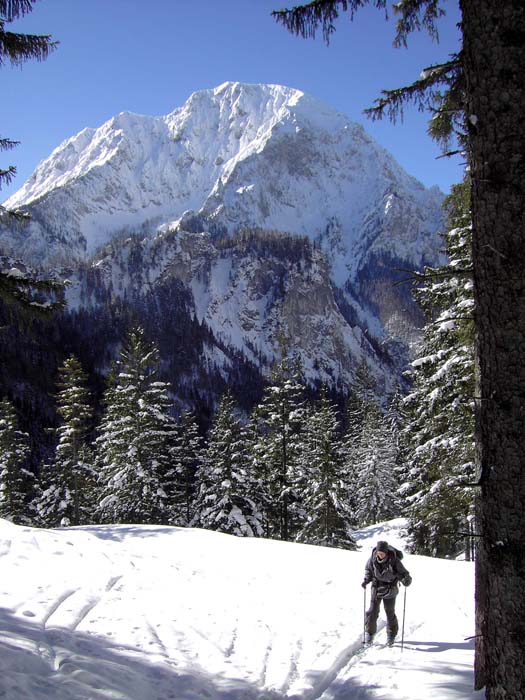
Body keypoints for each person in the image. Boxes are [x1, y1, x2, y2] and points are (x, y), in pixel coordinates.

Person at [361, 540, 412, 646]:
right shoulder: (372, 559)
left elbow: (404, 573)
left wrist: (406, 579)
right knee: (372, 611)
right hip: (376, 588)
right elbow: (368, 570)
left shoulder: (394, 560)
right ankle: (369, 634)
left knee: (389, 611)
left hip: (390, 589)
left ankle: (391, 635)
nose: (380, 555)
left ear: (386, 552)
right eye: (379, 552)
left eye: (382, 553)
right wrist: (366, 580)